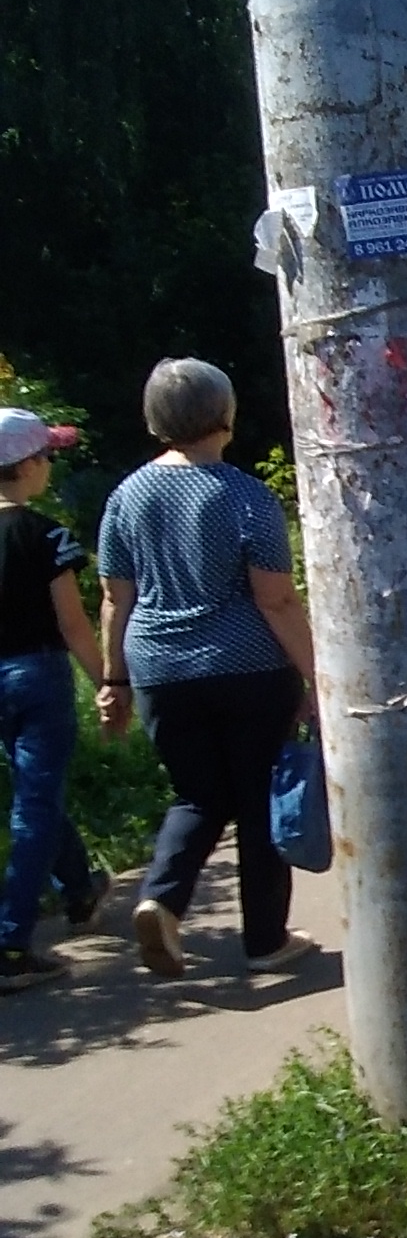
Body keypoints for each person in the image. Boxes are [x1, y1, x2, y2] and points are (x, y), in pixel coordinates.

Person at [95, 359, 317, 979]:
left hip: (160, 671)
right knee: (255, 802)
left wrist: (113, 681)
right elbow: (274, 597)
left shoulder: (126, 496)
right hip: (247, 669)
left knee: (196, 794)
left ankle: (161, 901)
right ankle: (266, 940)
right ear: (226, 413)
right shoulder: (244, 495)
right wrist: (316, 676)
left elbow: (116, 596)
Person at [0, 408, 109, 991]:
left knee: (36, 789)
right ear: (26, 465)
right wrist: (107, 683)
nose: (49, 466)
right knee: (35, 804)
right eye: (46, 456)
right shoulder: (46, 535)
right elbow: (72, 624)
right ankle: (10, 942)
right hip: (37, 674)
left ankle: (79, 889)